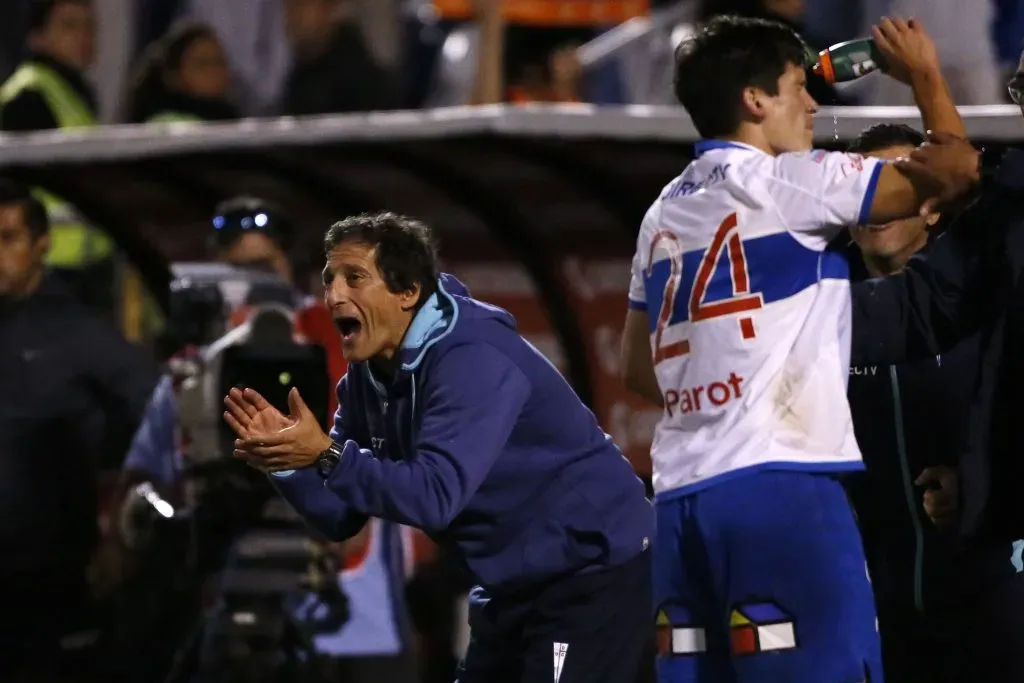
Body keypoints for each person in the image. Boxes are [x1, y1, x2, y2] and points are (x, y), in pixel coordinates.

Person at [619, 15, 978, 683]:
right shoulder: (790, 181)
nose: (813, 103)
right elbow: (954, 174)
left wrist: (723, 379)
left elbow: (637, 367)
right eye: (795, 87)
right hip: (779, 494)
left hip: (678, 504)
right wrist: (924, 72)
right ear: (756, 101)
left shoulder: (660, 214)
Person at [224, 211, 654, 683]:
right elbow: (338, 515)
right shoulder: (366, 380)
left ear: (408, 292)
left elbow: (435, 496)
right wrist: (284, 461)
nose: (334, 295)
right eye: (329, 280)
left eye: (354, 278)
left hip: (591, 572)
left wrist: (324, 455)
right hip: (510, 586)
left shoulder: (472, 358)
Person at [843, 122, 1024, 683]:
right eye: (865, 190)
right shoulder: (819, 313)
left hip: (990, 605)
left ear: (934, 208)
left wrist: (981, 478)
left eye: (899, 186)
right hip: (869, 613)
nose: (881, 205)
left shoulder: (992, 300)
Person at [0, 177, 159, 681]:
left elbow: (158, 417)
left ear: (41, 243)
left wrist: (122, 535)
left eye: (6, 239)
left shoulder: (79, 332)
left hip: (48, 577)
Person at [124, 20, 237, 124]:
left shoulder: (235, 123)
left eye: (220, 62)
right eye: (203, 63)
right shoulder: (166, 126)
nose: (215, 71)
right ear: (174, 75)